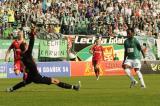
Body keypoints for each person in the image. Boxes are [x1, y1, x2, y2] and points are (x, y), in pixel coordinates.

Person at [6, 27, 80, 92]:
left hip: (31, 76)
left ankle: (11, 89)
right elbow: (32, 43)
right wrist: (32, 33)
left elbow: (27, 65)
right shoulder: (27, 54)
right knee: (55, 81)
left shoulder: (23, 56)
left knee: (24, 83)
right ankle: (74, 87)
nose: (27, 46)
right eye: (26, 45)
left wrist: (26, 71)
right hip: (36, 77)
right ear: (25, 48)